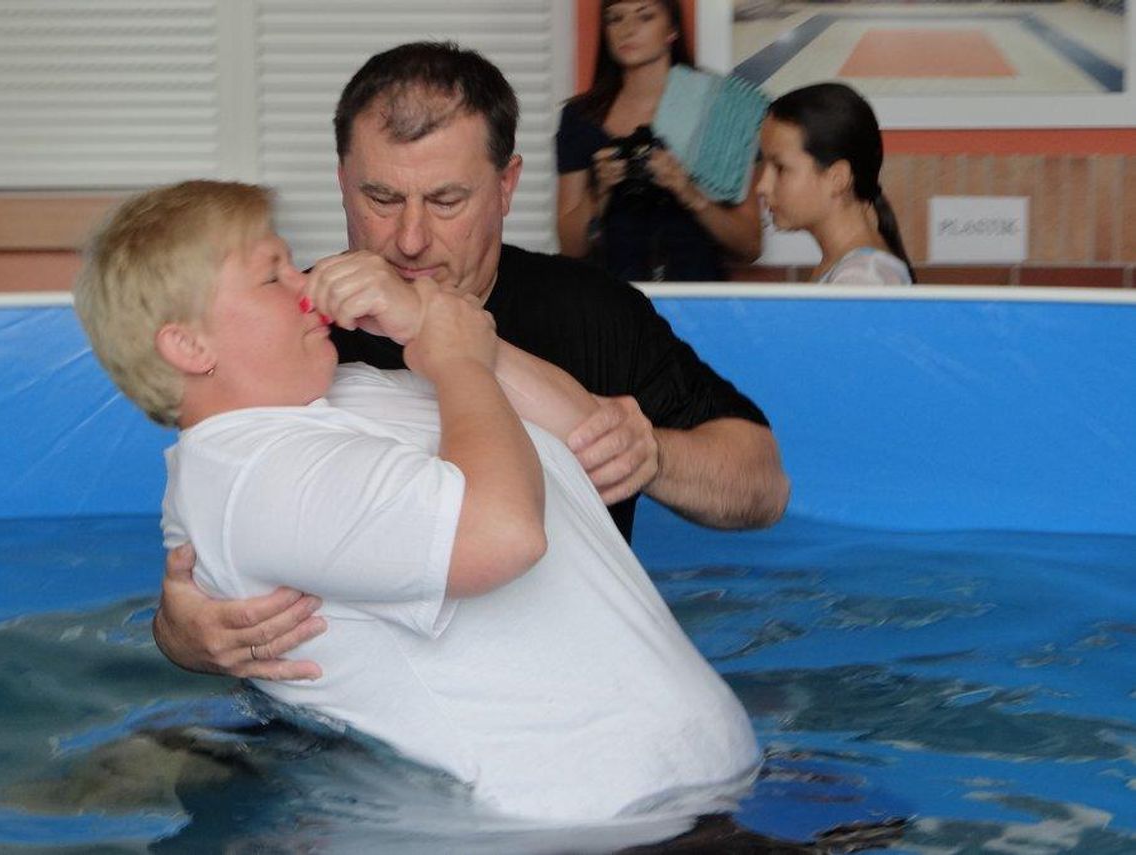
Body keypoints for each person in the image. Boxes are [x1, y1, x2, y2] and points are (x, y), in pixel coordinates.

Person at [73, 178, 760, 825]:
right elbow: (502, 536)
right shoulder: (250, 478)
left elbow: (592, 437)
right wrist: (456, 358)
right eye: (272, 274)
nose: (307, 283)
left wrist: (426, 321)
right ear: (189, 345)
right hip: (593, 821)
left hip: (698, 789)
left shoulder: (344, 391)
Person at [154, 41, 790, 681]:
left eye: (446, 201)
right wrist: (180, 633)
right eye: (380, 198)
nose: (409, 239)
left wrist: (652, 453)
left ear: (506, 186)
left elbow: (763, 488)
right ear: (342, 181)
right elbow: (210, 510)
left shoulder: (593, 311)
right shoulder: (286, 327)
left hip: (561, 688)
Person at [556, 0, 763, 281]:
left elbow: (749, 246)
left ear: (672, 29)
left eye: (645, 17)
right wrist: (599, 194)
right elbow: (570, 248)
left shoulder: (719, 107)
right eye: (615, 19)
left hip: (697, 301)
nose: (627, 29)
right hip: (616, 303)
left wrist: (688, 192)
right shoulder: (581, 117)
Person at [756, 82, 916, 285]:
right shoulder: (850, 271)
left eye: (780, 168)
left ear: (838, 178)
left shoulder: (861, 279)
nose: (762, 186)